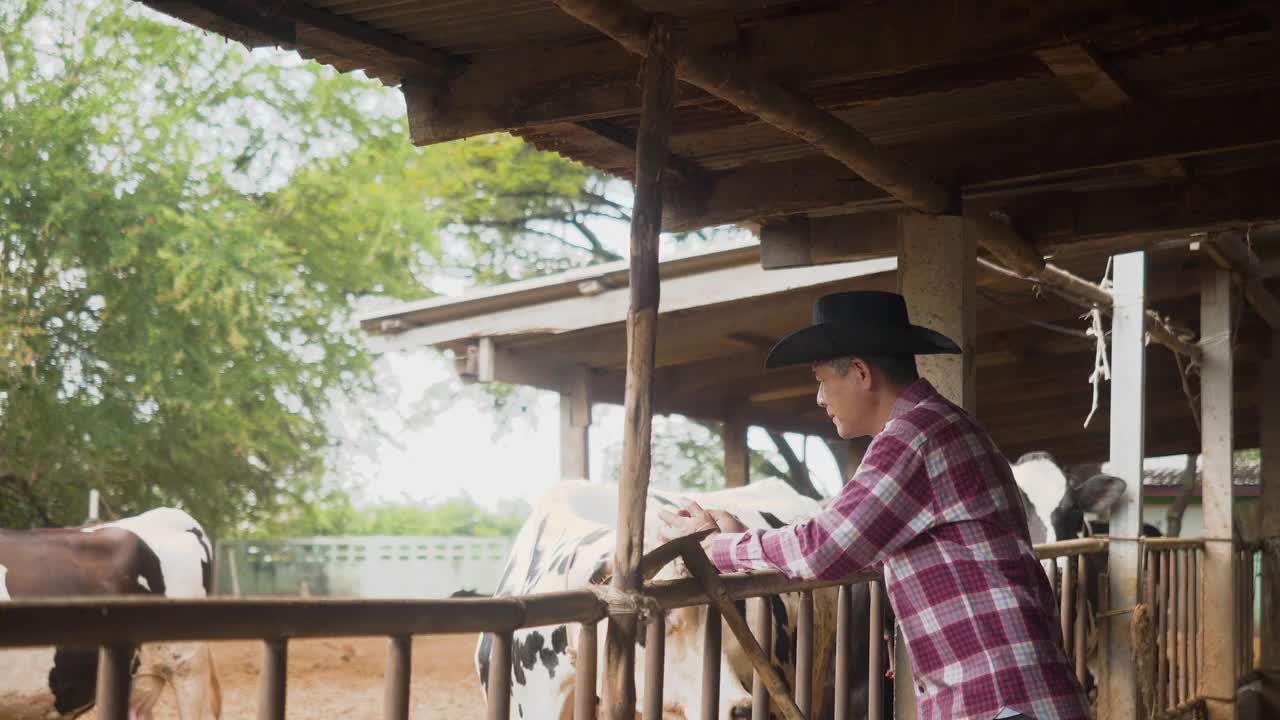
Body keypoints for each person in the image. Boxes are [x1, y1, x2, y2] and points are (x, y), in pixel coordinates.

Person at [658, 291, 1089, 720]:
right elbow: (841, 524)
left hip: (1000, 699)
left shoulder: (914, 436)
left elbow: (824, 546)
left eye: (821, 379)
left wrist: (717, 547)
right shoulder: (942, 424)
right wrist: (742, 539)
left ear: (861, 373)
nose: (820, 398)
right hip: (1008, 691)